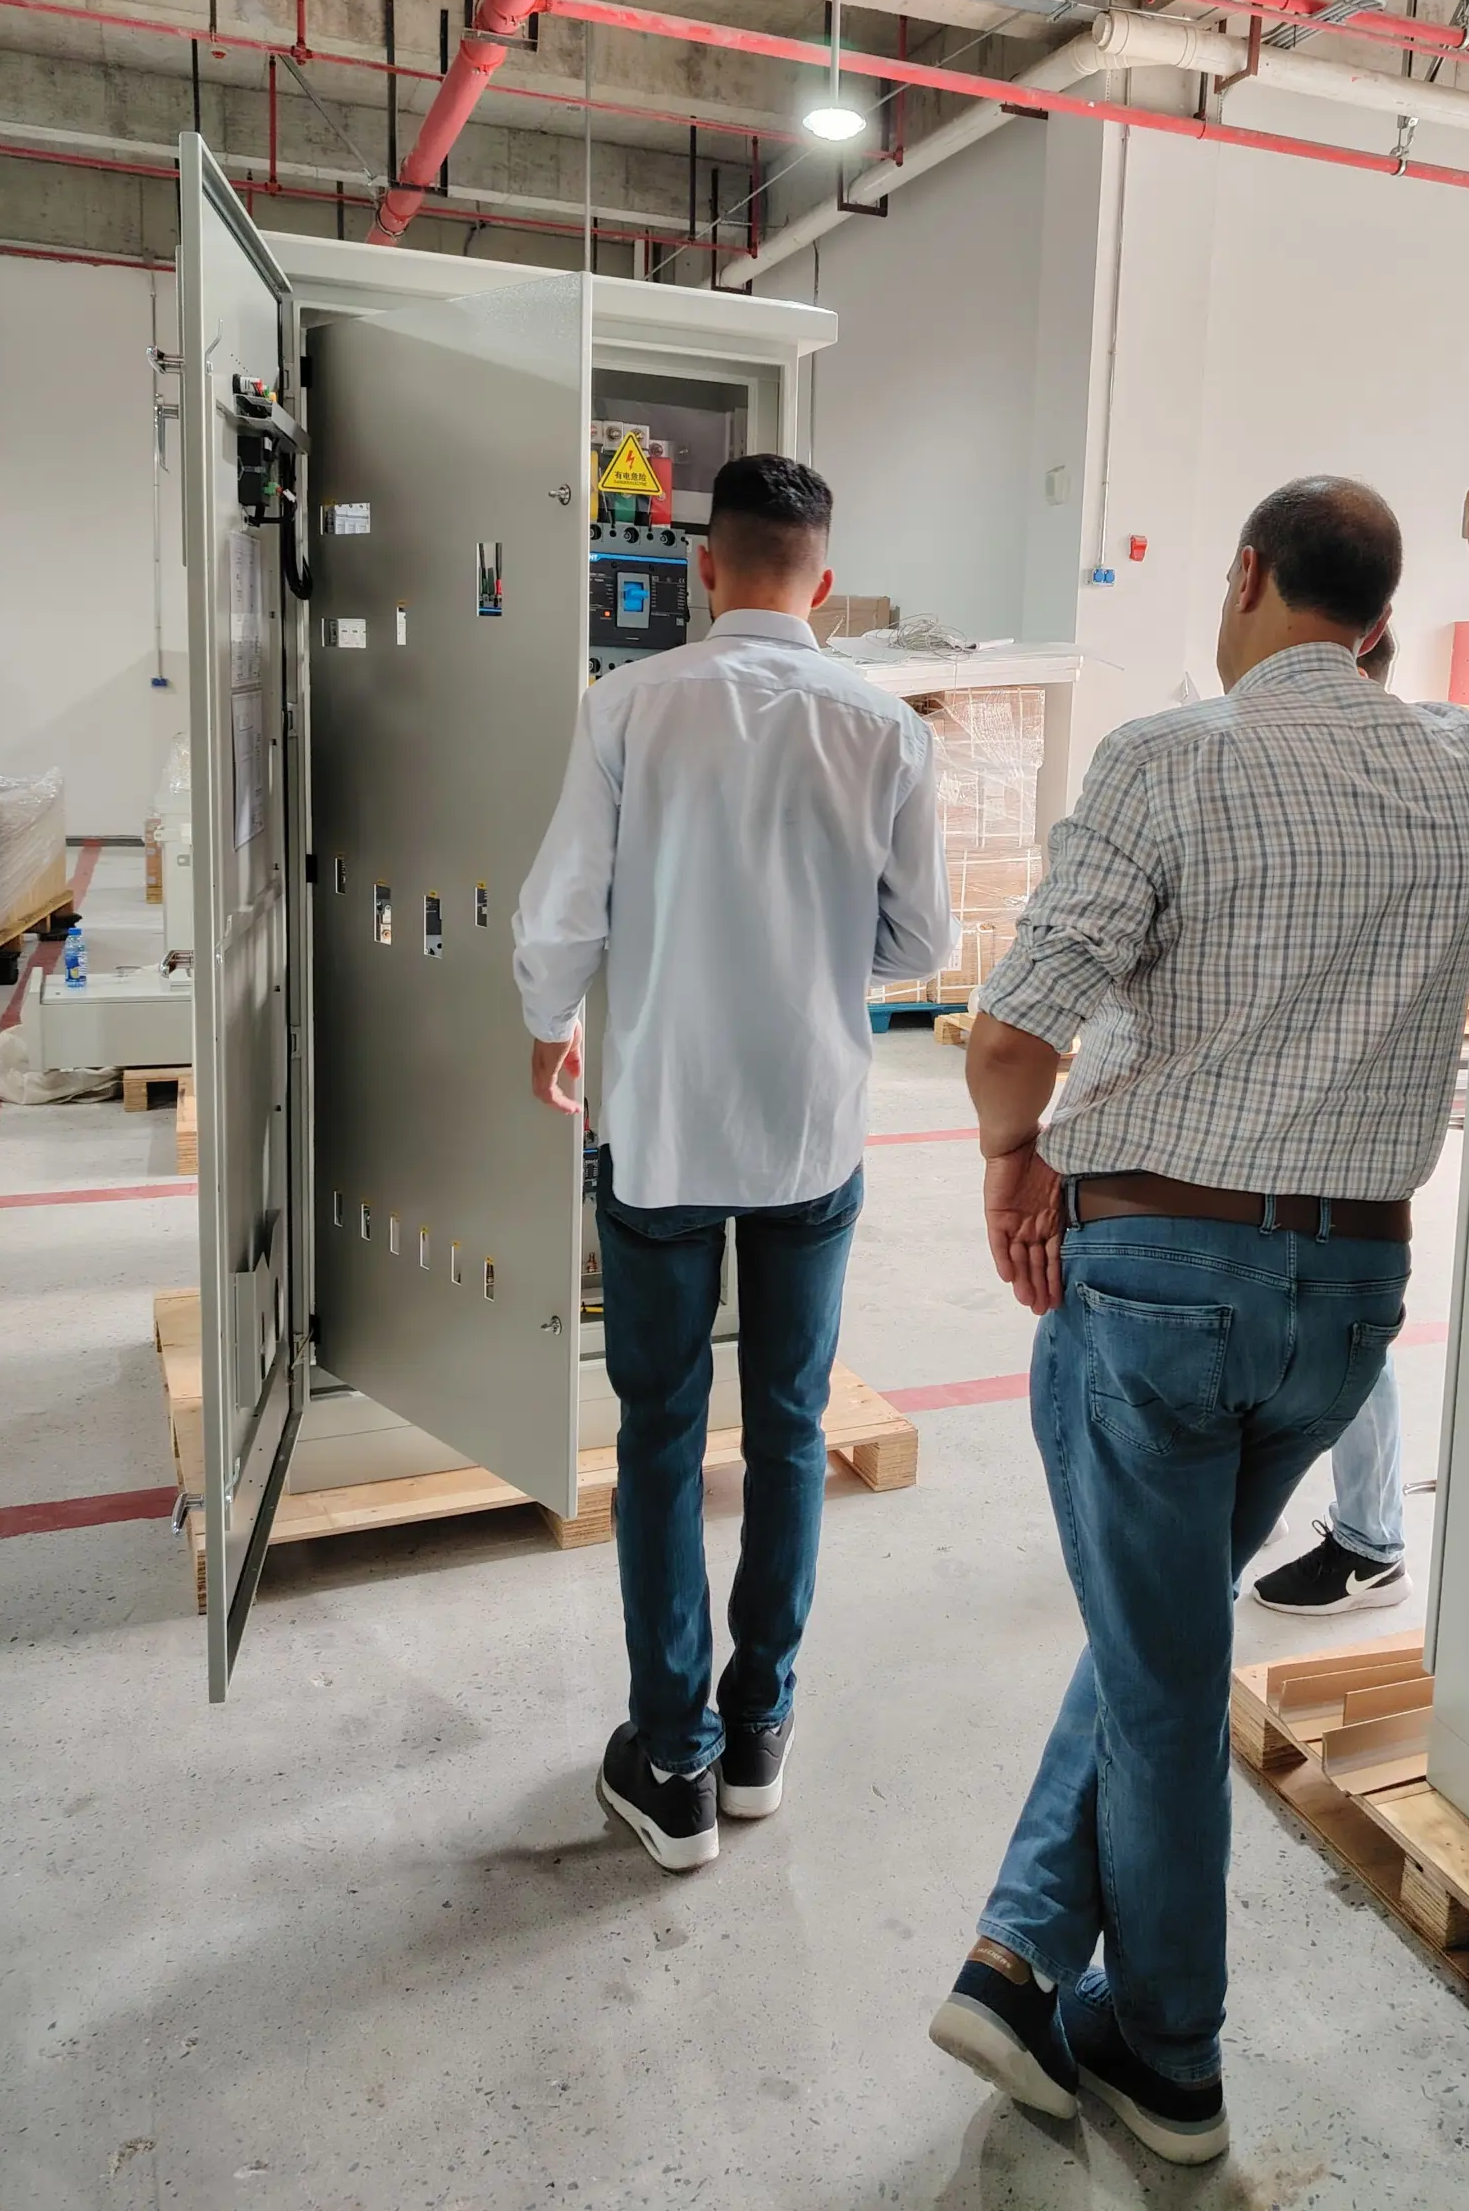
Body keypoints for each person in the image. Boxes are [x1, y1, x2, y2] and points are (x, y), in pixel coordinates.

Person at [929, 449, 1469, 2164]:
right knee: (1162, 1640)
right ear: (1377, 625)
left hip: (1153, 1287)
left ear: (1241, 580)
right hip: (1346, 1310)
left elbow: (1010, 1036)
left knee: (1160, 1678)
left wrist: (1012, 1160)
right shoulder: (1456, 770)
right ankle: (1015, 1960)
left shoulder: (1170, 757)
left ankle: (1171, 2059)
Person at [513, 453, 955, 1875]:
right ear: (822, 581)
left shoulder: (630, 705)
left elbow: (564, 906)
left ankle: (674, 1759)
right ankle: (758, 1730)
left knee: (654, 1435)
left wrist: (546, 1029)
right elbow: (919, 946)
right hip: (810, 1129)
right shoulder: (888, 727)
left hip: (658, 1126)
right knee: (785, 1427)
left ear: (704, 568)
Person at [1251, 616, 1412, 1616]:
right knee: (1284, 1312)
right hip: (1293, 1107)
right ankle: (1264, 1492)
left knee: (1346, 1330)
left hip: (1342, 1116)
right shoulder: (1386, 766)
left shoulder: (1390, 776)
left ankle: (1371, 1539)